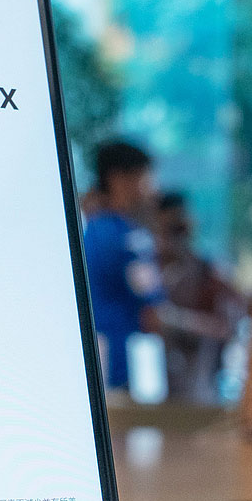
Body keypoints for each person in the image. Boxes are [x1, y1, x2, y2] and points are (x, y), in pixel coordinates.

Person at [81, 139, 164, 393]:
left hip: (95, 361)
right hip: (126, 365)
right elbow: (153, 307)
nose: (153, 190)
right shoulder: (131, 239)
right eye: (145, 178)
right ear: (119, 179)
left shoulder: (89, 229)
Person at [152, 191, 246, 403]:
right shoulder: (145, 267)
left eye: (182, 228)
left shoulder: (208, 274)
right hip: (149, 386)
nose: (178, 237)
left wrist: (175, 320)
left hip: (197, 389)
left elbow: (226, 328)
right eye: (172, 229)